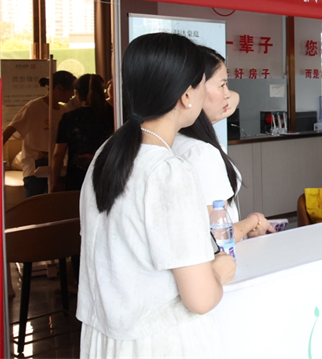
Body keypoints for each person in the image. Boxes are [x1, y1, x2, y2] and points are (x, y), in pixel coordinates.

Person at [77, 33, 236, 358]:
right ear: (187, 96)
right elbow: (201, 298)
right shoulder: (168, 172)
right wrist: (220, 270)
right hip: (160, 342)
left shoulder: (107, 153)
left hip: (106, 341)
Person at [173, 46, 273, 241]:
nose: (228, 94)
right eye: (222, 85)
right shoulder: (200, 153)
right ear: (191, 91)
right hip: (220, 257)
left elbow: (234, 99)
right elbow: (218, 236)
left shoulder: (174, 138)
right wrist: (254, 221)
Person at [2, 71, 76, 197]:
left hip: (57, 167)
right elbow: (10, 130)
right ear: (59, 88)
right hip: (35, 167)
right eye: (71, 90)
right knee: (35, 204)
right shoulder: (34, 107)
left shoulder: (64, 111)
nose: (72, 95)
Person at [52, 74, 115, 192]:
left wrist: (55, 181)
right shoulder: (114, 115)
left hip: (77, 178)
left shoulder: (70, 118)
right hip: (107, 175)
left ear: (78, 94)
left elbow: (58, 154)